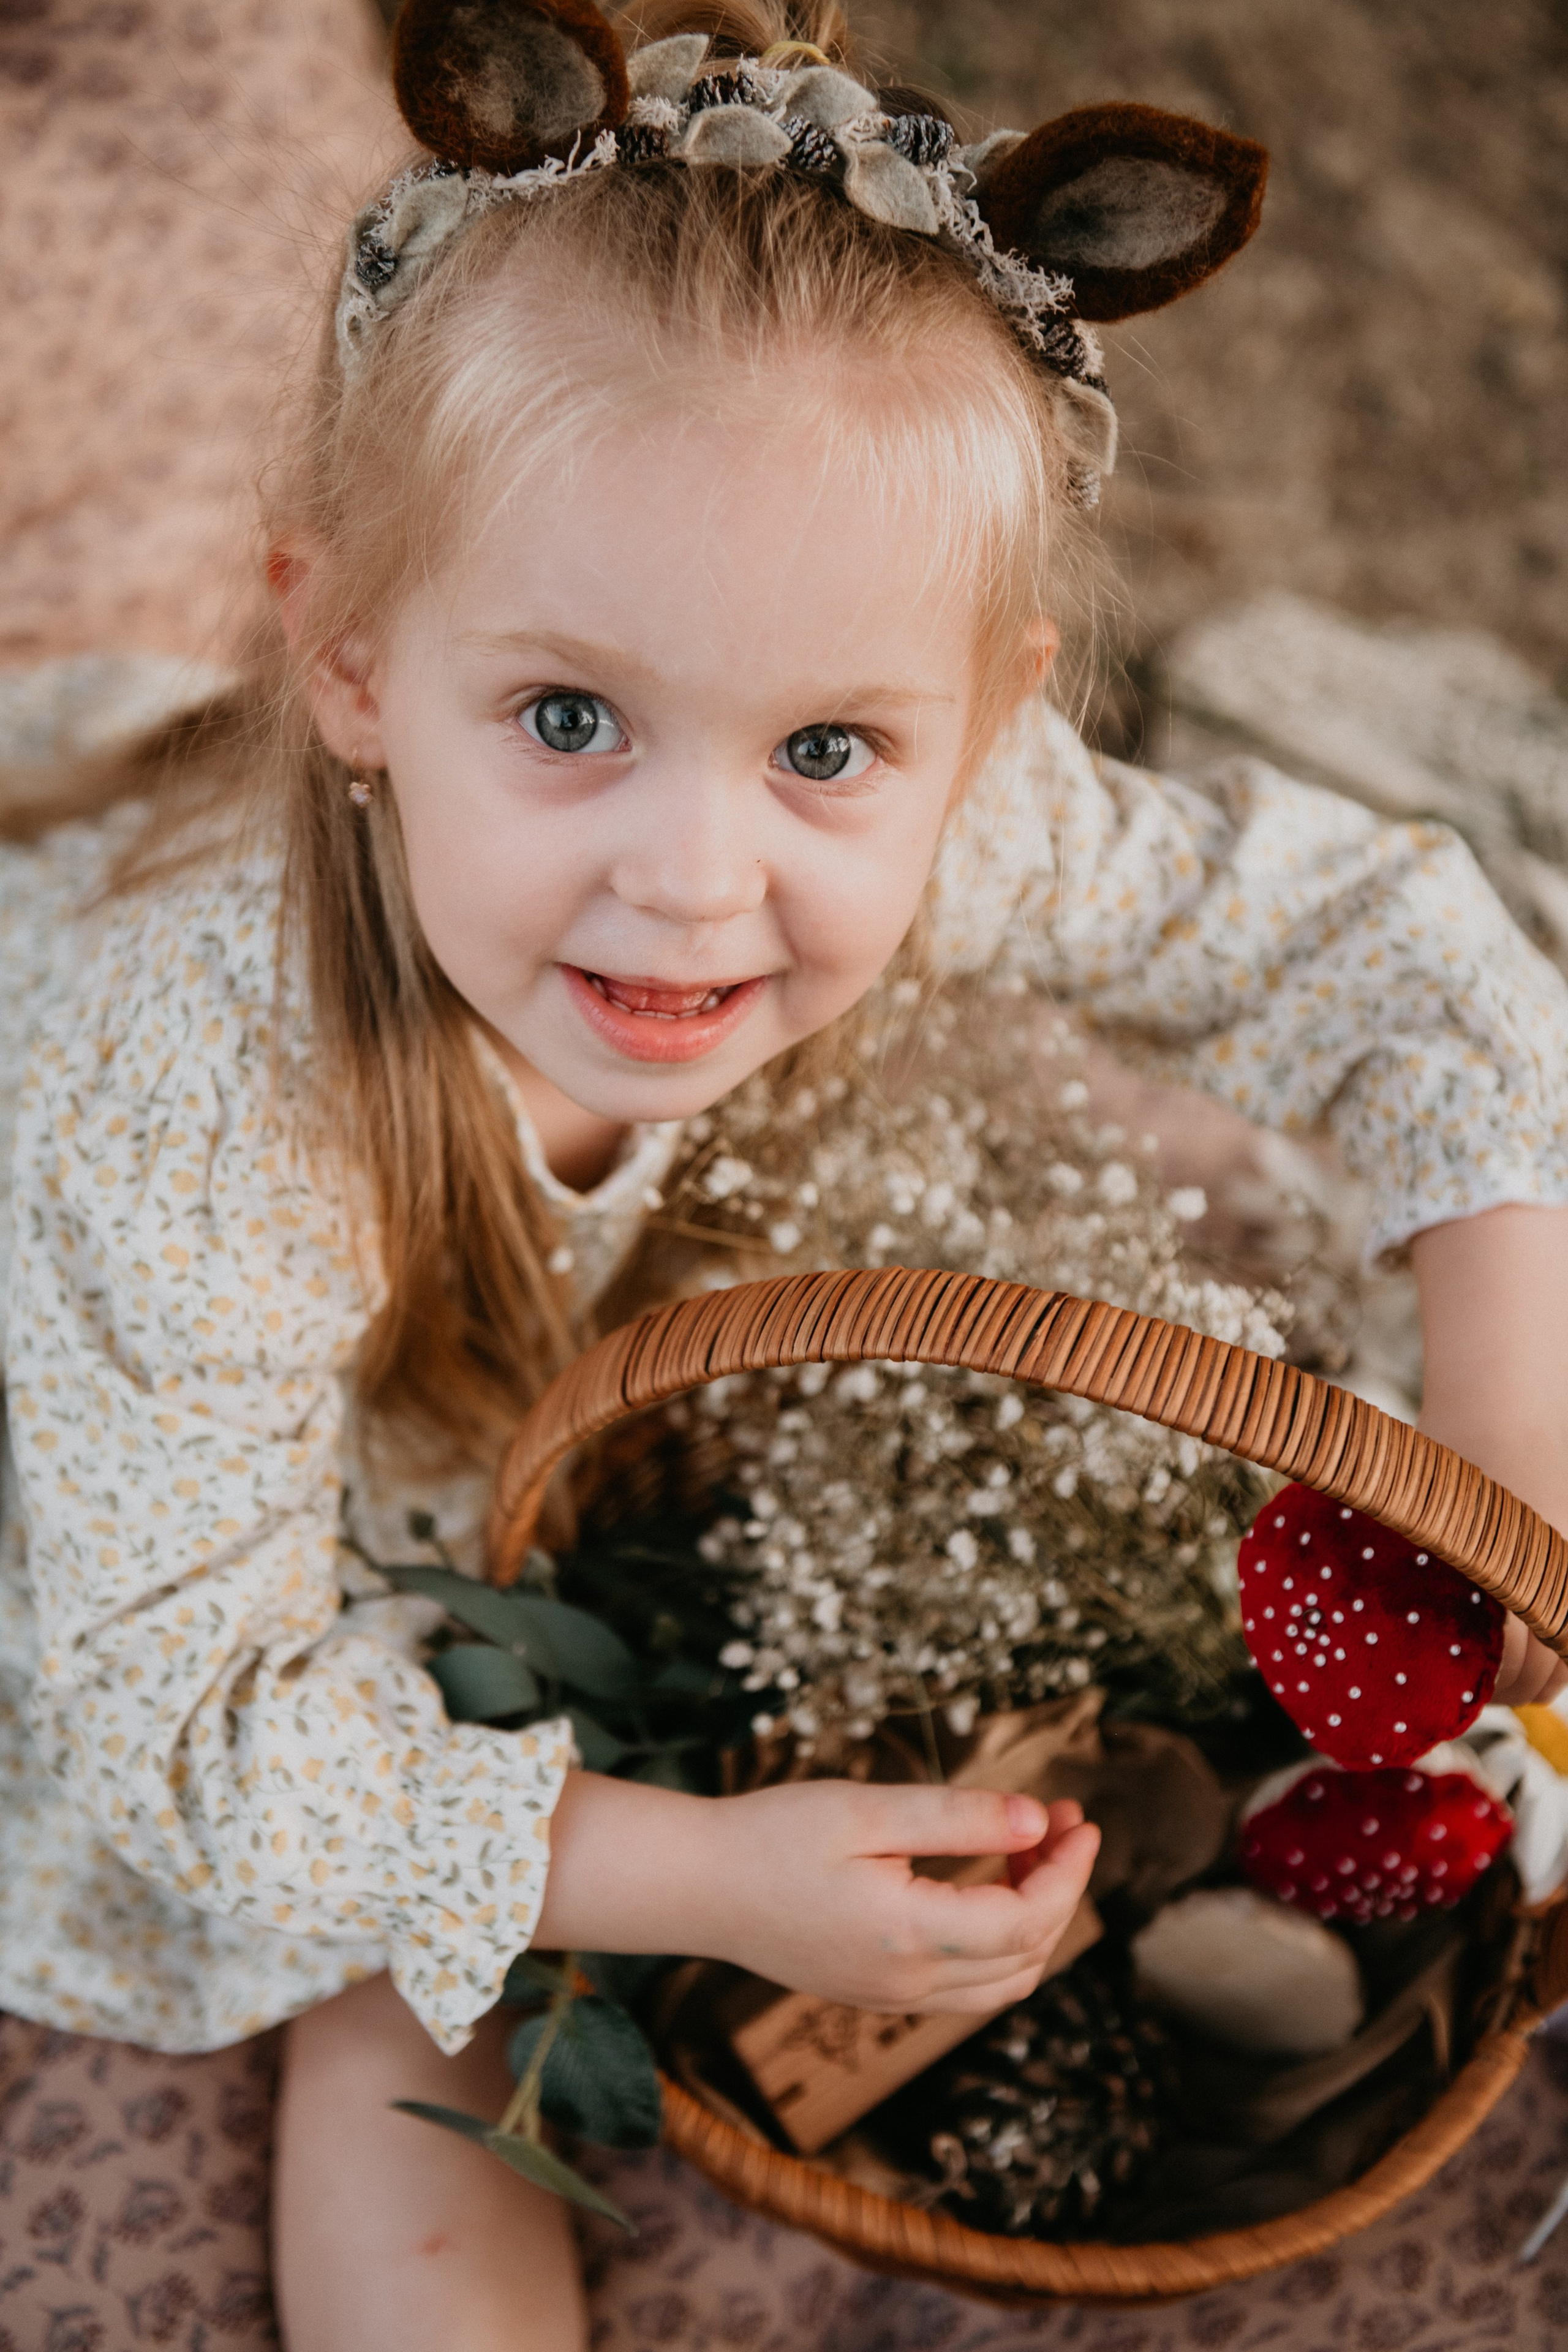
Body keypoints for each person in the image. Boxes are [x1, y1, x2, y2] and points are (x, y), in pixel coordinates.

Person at [1, 1, 1566, 2345]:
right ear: (345, 659)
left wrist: (1506, 1427)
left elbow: (1400, 946)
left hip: (579, 1357)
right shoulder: (183, 1104)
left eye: (829, 748)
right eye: (566, 720)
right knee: (394, 1999)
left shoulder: (929, 819)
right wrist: (704, 1874)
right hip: (183, 1489)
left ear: (988, 718)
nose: (696, 880)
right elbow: (188, 1744)